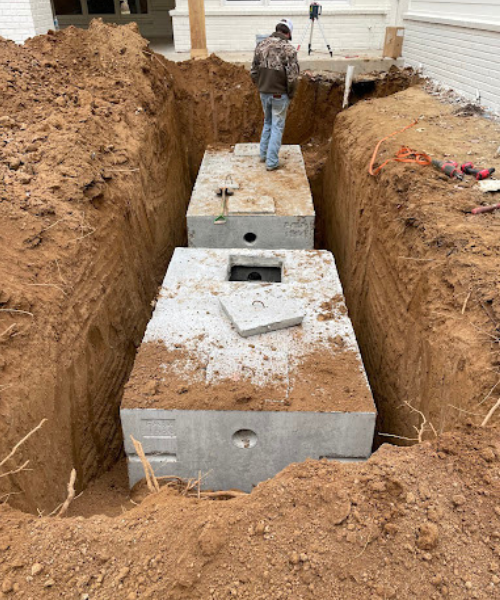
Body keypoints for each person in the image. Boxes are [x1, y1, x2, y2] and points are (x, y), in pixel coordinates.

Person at [251, 19, 300, 171]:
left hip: (264, 92)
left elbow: (253, 71)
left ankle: (263, 154)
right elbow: (292, 77)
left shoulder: (261, 45)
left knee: (268, 122)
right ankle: (271, 162)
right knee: (277, 126)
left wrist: (261, 85)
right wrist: (290, 94)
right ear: (288, 33)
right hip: (280, 94)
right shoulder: (289, 50)